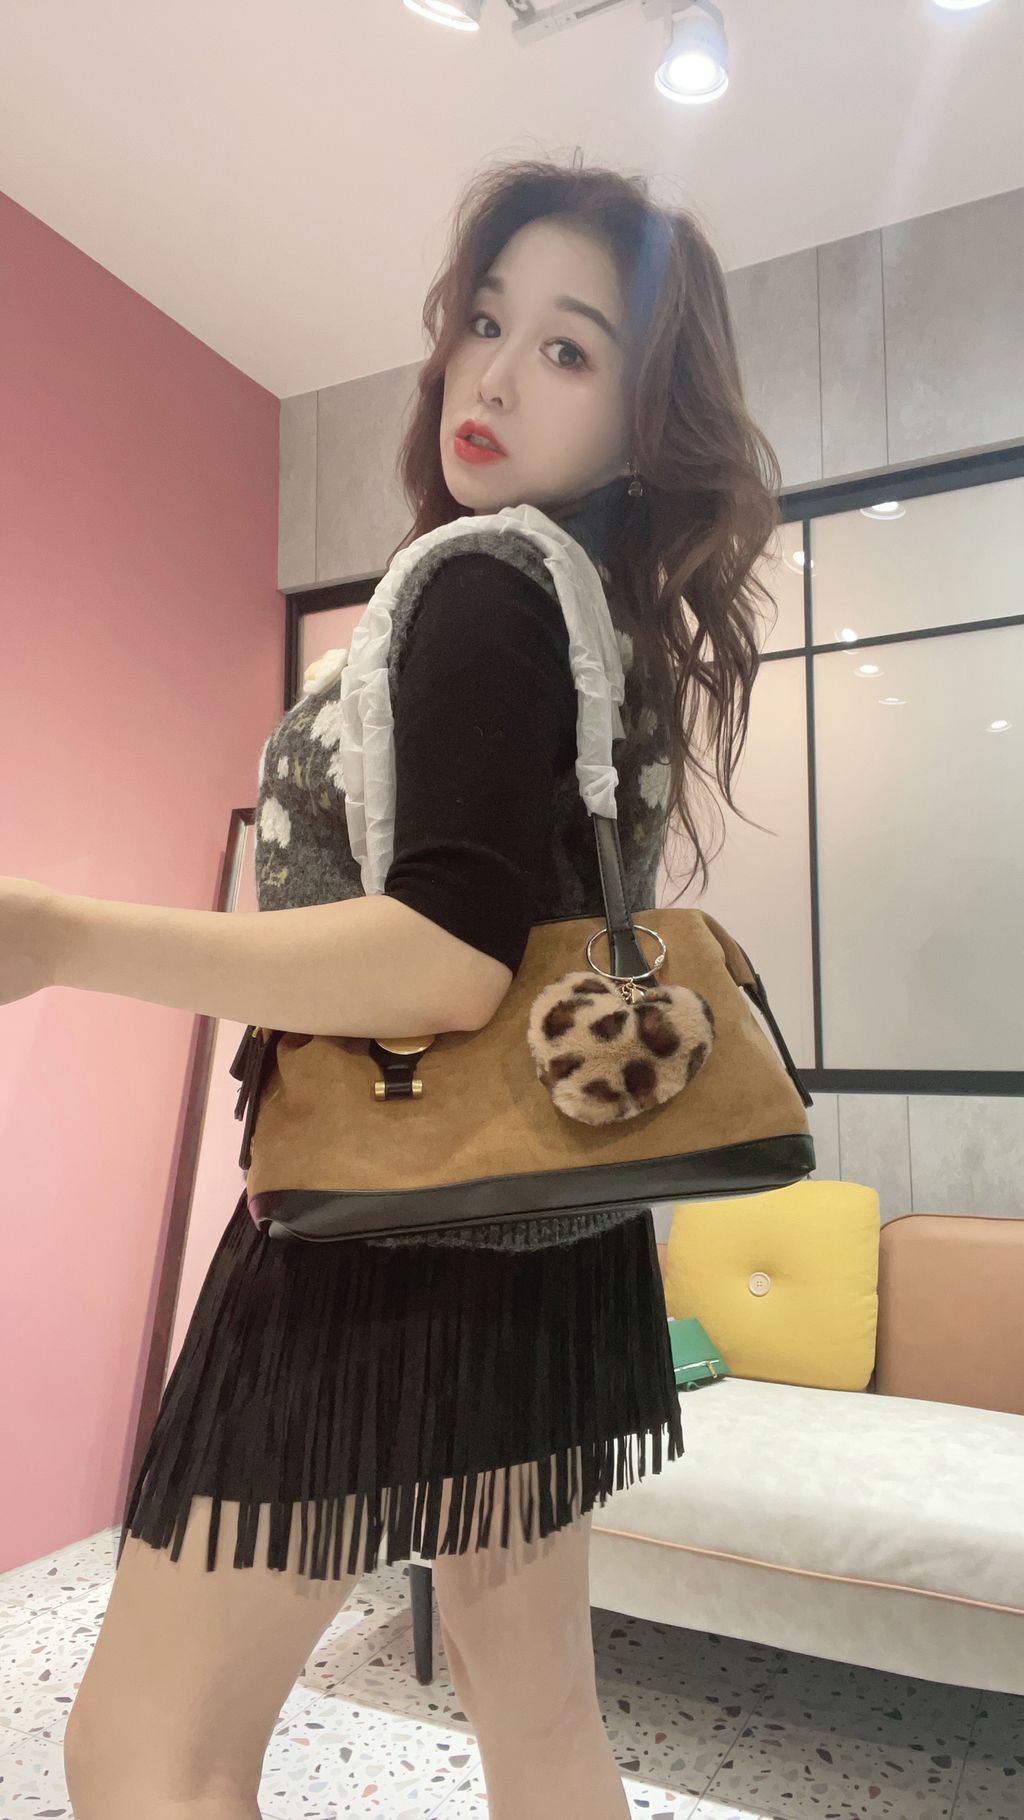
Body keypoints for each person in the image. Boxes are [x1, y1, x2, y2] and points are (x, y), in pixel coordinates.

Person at [61, 157, 781, 1820]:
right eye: (485, 321)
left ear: (643, 417)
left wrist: (59, 935)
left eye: (570, 349)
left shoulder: (481, 583)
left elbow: (445, 959)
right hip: (559, 1241)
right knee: (542, 1727)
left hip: (377, 1242)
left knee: (148, 1752)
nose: (497, 375)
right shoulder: (607, 611)